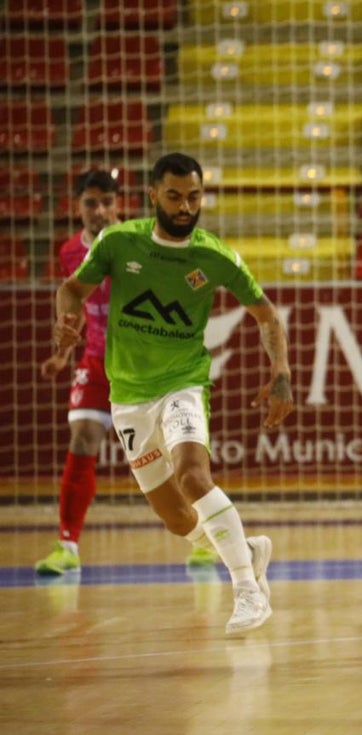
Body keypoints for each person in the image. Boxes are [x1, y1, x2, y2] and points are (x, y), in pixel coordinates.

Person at [51, 152, 294, 635]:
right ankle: (246, 550)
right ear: (153, 196)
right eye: (175, 196)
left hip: (183, 383)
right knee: (178, 521)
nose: (186, 207)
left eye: (194, 196)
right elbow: (72, 289)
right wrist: (66, 321)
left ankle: (247, 590)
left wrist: (280, 373)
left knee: (192, 475)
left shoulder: (214, 255)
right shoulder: (119, 242)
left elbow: (266, 314)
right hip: (128, 396)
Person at [36, 170, 220, 575]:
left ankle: (204, 539)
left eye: (106, 202)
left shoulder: (136, 245)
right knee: (83, 437)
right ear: (77, 208)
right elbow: (78, 303)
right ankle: (67, 545)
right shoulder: (69, 251)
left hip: (144, 368)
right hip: (98, 364)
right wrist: (63, 354)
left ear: (119, 204)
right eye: (90, 203)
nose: (99, 210)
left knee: (177, 458)